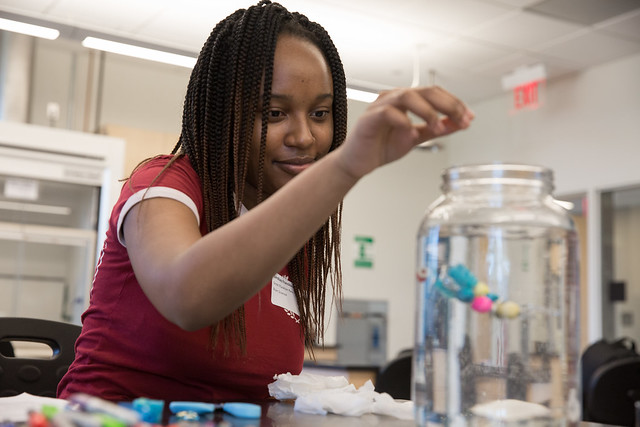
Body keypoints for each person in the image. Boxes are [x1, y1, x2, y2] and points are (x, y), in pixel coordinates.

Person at [57, 0, 474, 403]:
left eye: (320, 114)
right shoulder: (163, 184)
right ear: (225, 114)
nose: (304, 138)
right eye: (274, 113)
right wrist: (346, 167)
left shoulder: (290, 231)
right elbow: (186, 297)